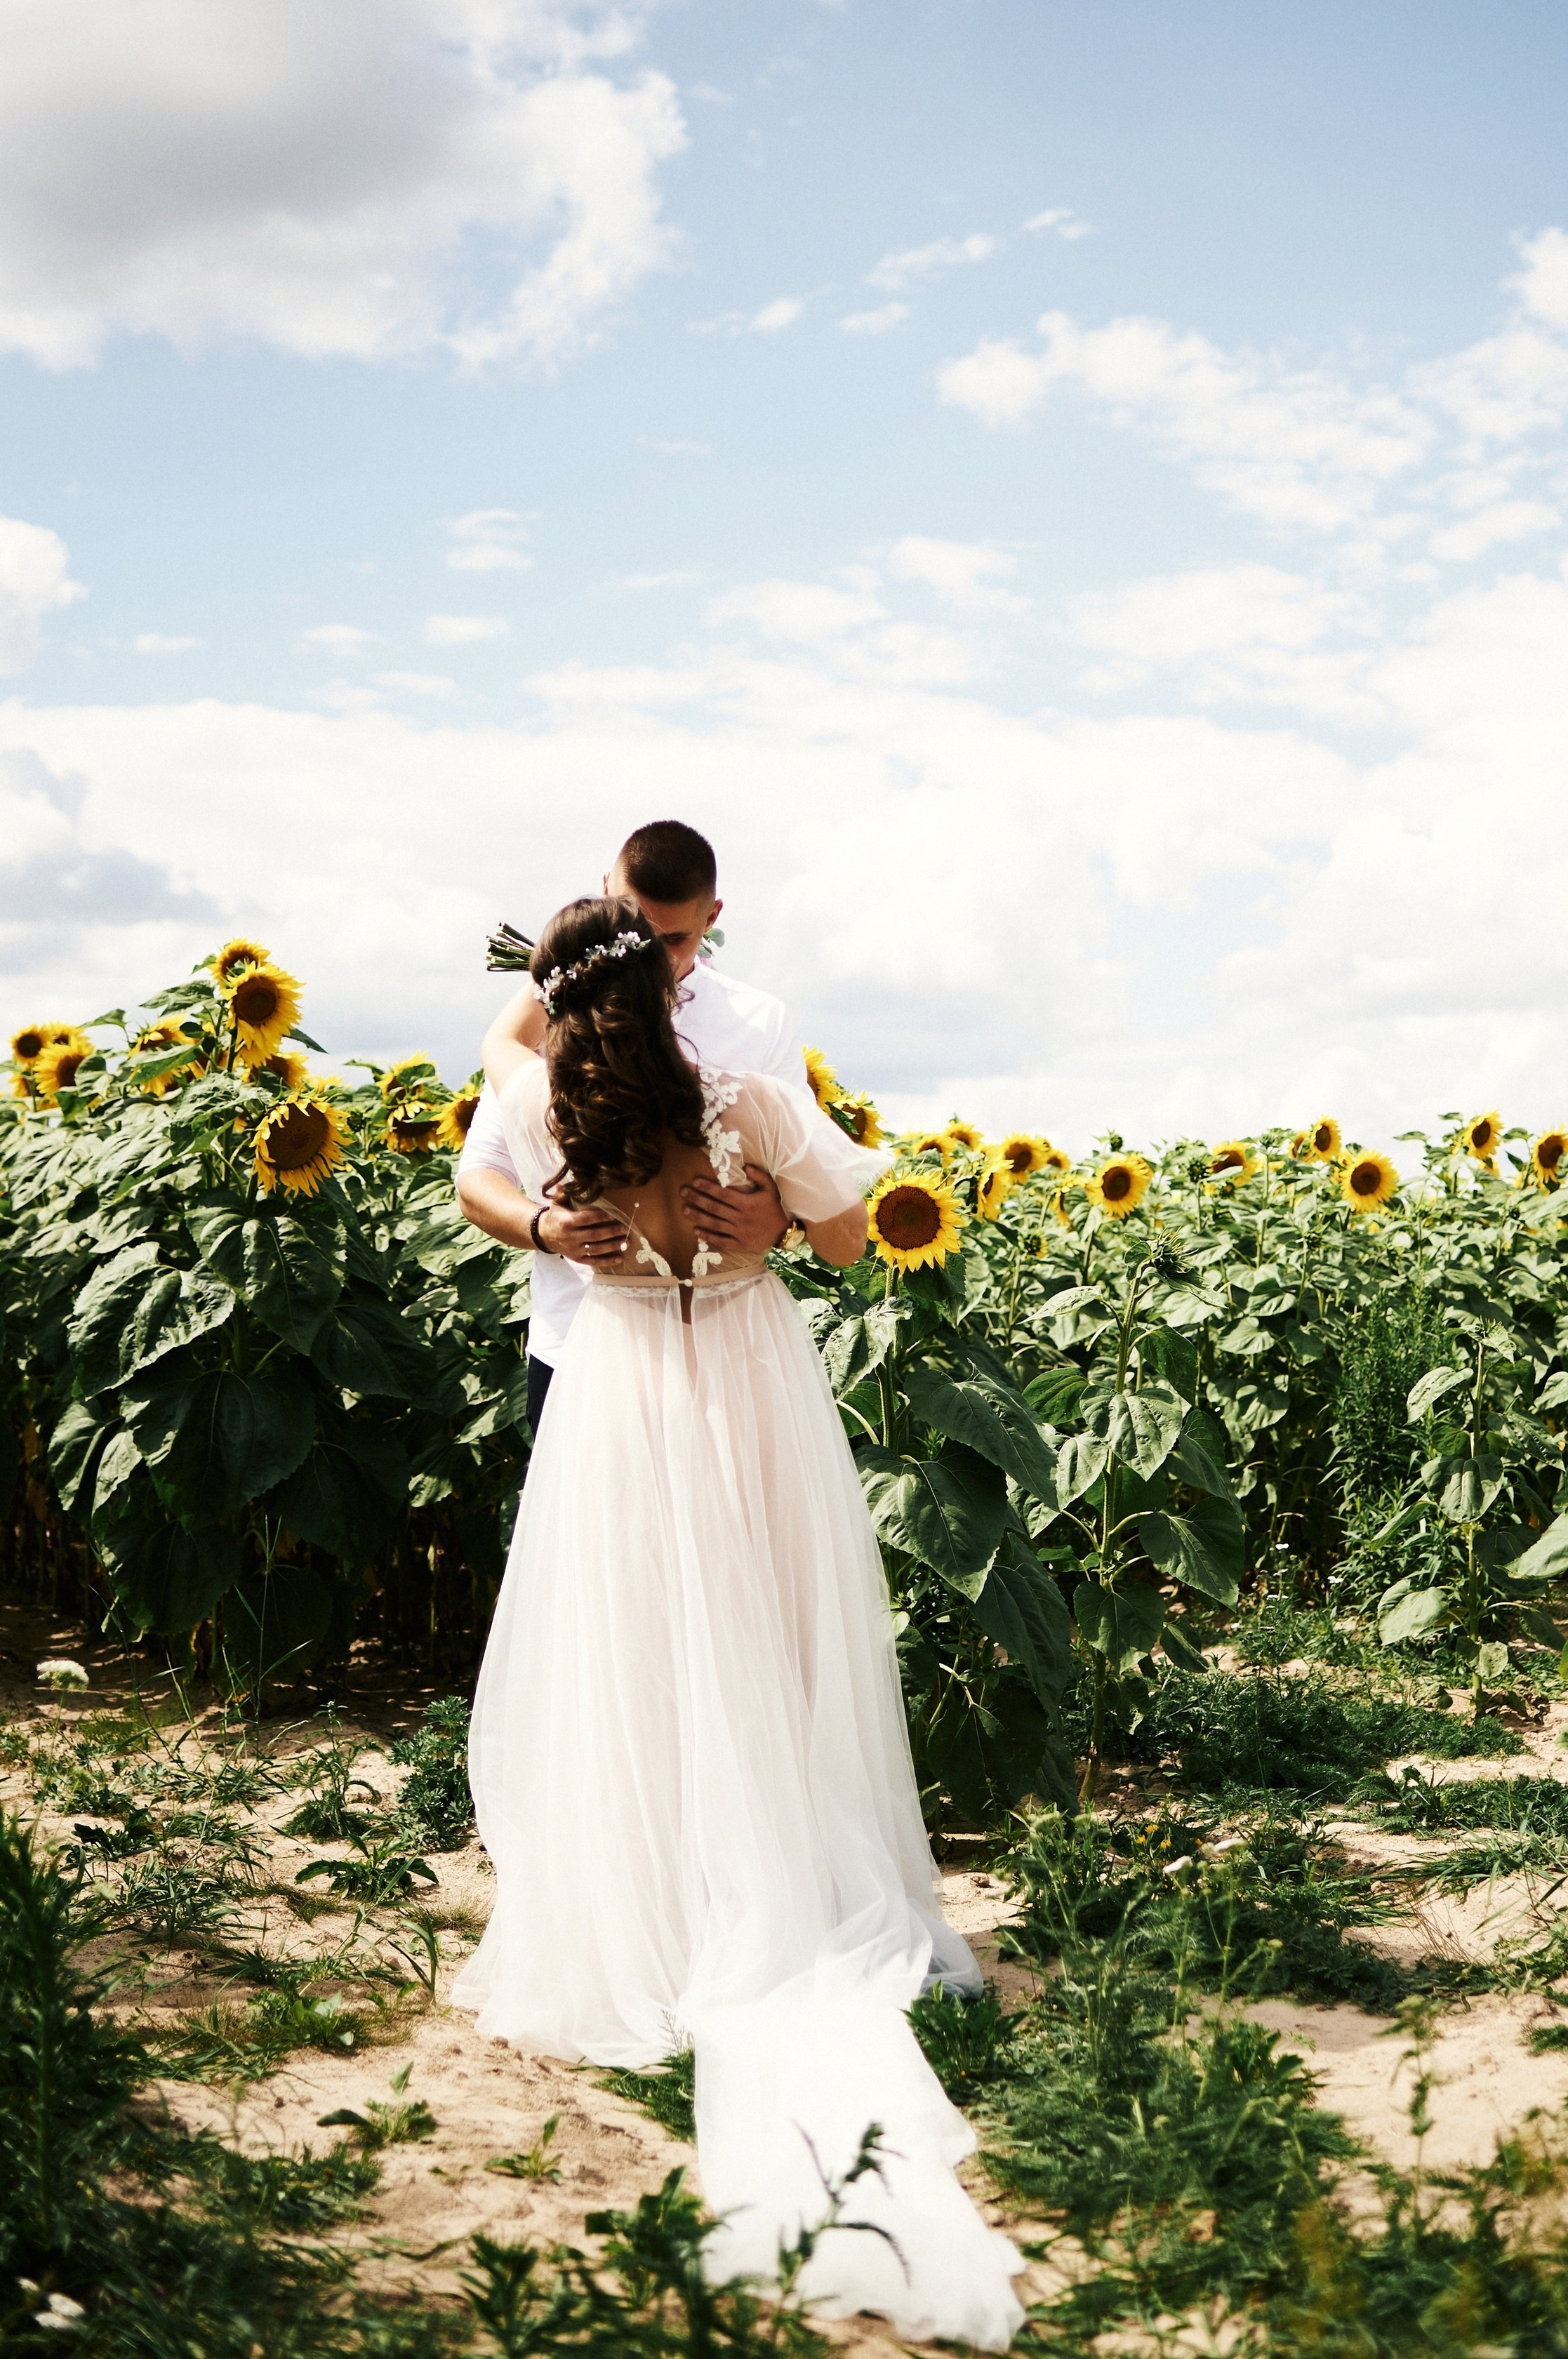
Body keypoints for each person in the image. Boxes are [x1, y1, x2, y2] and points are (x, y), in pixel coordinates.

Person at [449, 891, 1024, 2350]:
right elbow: (848, 1240)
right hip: (748, 1390)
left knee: (633, 1648)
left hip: (618, 1404)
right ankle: (782, 1871)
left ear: (555, 1000)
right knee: (768, 1632)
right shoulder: (750, 1095)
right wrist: (773, 1214)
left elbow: (491, 1119)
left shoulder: (533, 1108)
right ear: (671, 978)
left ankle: (653, 1888)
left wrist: (565, 1217)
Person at [456, 820, 804, 1435]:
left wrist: (781, 1220)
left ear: (713, 916)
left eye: (673, 939)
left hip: (723, 1358)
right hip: (577, 1344)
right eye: (634, 928)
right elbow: (478, 1178)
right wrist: (545, 1228)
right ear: (604, 895)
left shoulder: (760, 1021)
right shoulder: (551, 1026)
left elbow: (803, 1182)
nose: (651, 957)